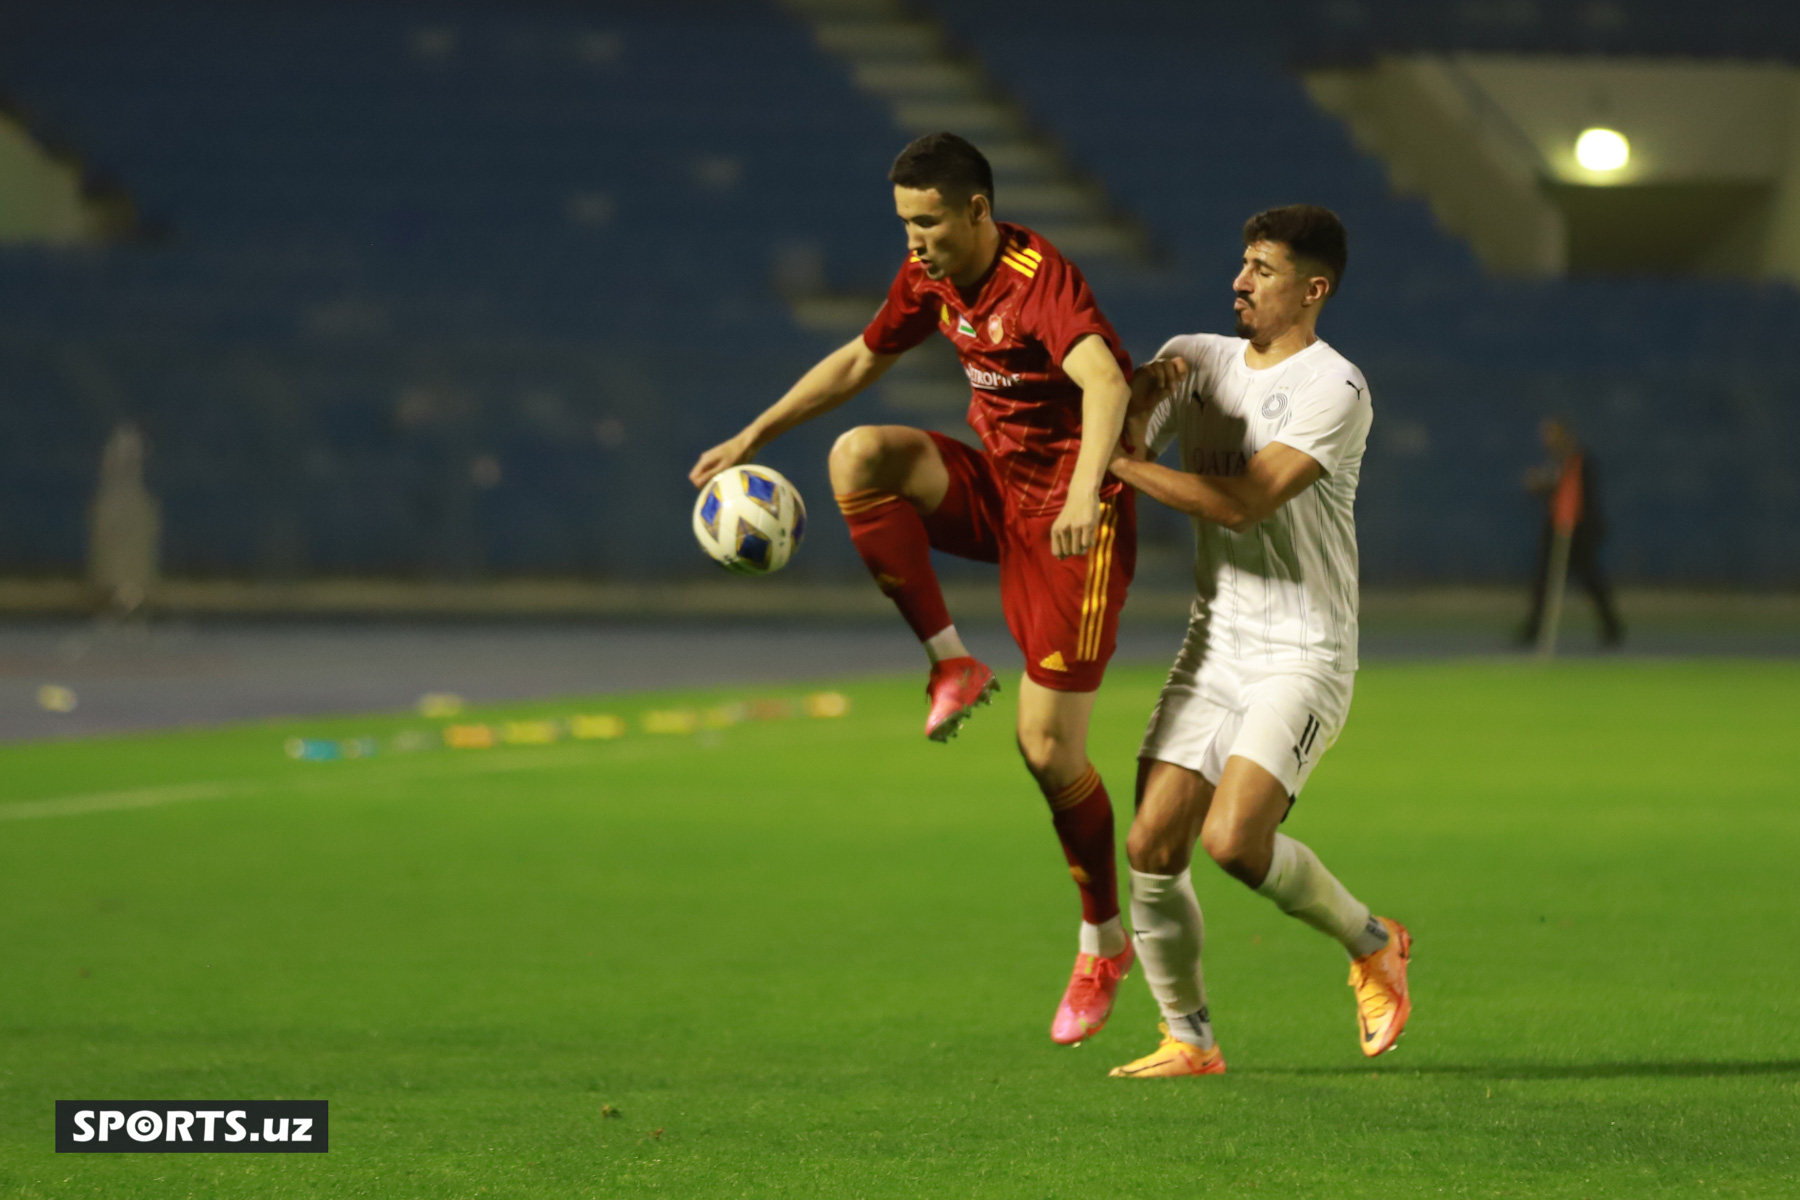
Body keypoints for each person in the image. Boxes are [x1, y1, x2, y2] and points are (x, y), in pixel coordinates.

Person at [689, 132, 1141, 1044]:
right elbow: (860, 360)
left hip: (1074, 528)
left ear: (977, 210)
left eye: (928, 221)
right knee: (860, 455)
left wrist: (1088, 491)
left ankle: (1102, 941)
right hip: (1001, 496)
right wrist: (753, 436)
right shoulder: (931, 278)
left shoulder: (1034, 274)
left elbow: (1103, 380)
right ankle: (952, 666)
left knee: (1048, 752)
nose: (914, 241)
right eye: (903, 223)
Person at [1100, 205, 1411, 1078]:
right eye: (1242, 263)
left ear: (1313, 289)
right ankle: (1188, 1040)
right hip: (1215, 643)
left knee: (1234, 841)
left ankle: (1374, 942)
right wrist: (1121, 404)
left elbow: (1243, 500)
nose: (1240, 280)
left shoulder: (1334, 388)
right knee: (1152, 847)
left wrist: (1117, 466)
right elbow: (1121, 435)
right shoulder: (1196, 357)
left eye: (1264, 269)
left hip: (1303, 651)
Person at [1521, 417, 1624, 647]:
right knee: (1544, 581)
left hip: (1579, 531)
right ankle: (1533, 629)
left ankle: (1612, 628)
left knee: (1590, 580)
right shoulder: (1556, 463)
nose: (1547, 440)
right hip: (1557, 529)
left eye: (1552, 434)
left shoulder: (1580, 462)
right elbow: (1551, 491)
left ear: (1566, 436)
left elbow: (1577, 497)